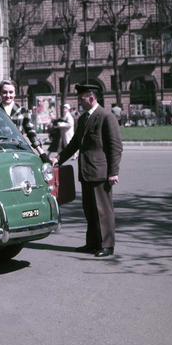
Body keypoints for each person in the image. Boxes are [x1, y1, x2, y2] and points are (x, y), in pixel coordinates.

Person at [54, 83, 123, 257]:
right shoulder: (83, 119)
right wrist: (58, 158)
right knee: (90, 210)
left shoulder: (106, 116)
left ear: (91, 98)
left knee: (103, 210)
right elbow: (75, 144)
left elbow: (116, 147)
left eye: (81, 99)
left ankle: (107, 244)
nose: (79, 102)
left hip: (101, 172)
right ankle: (92, 243)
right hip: (86, 172)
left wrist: (113, 172)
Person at [0, 80, 49, 162]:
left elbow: (31, 132)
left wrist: (42, 153)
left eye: (11, 92)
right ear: (0, 93)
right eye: (4, 92)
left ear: (15, 93)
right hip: (0, 152)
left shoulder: (23, 111)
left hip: (18, 151)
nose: (8, 95)